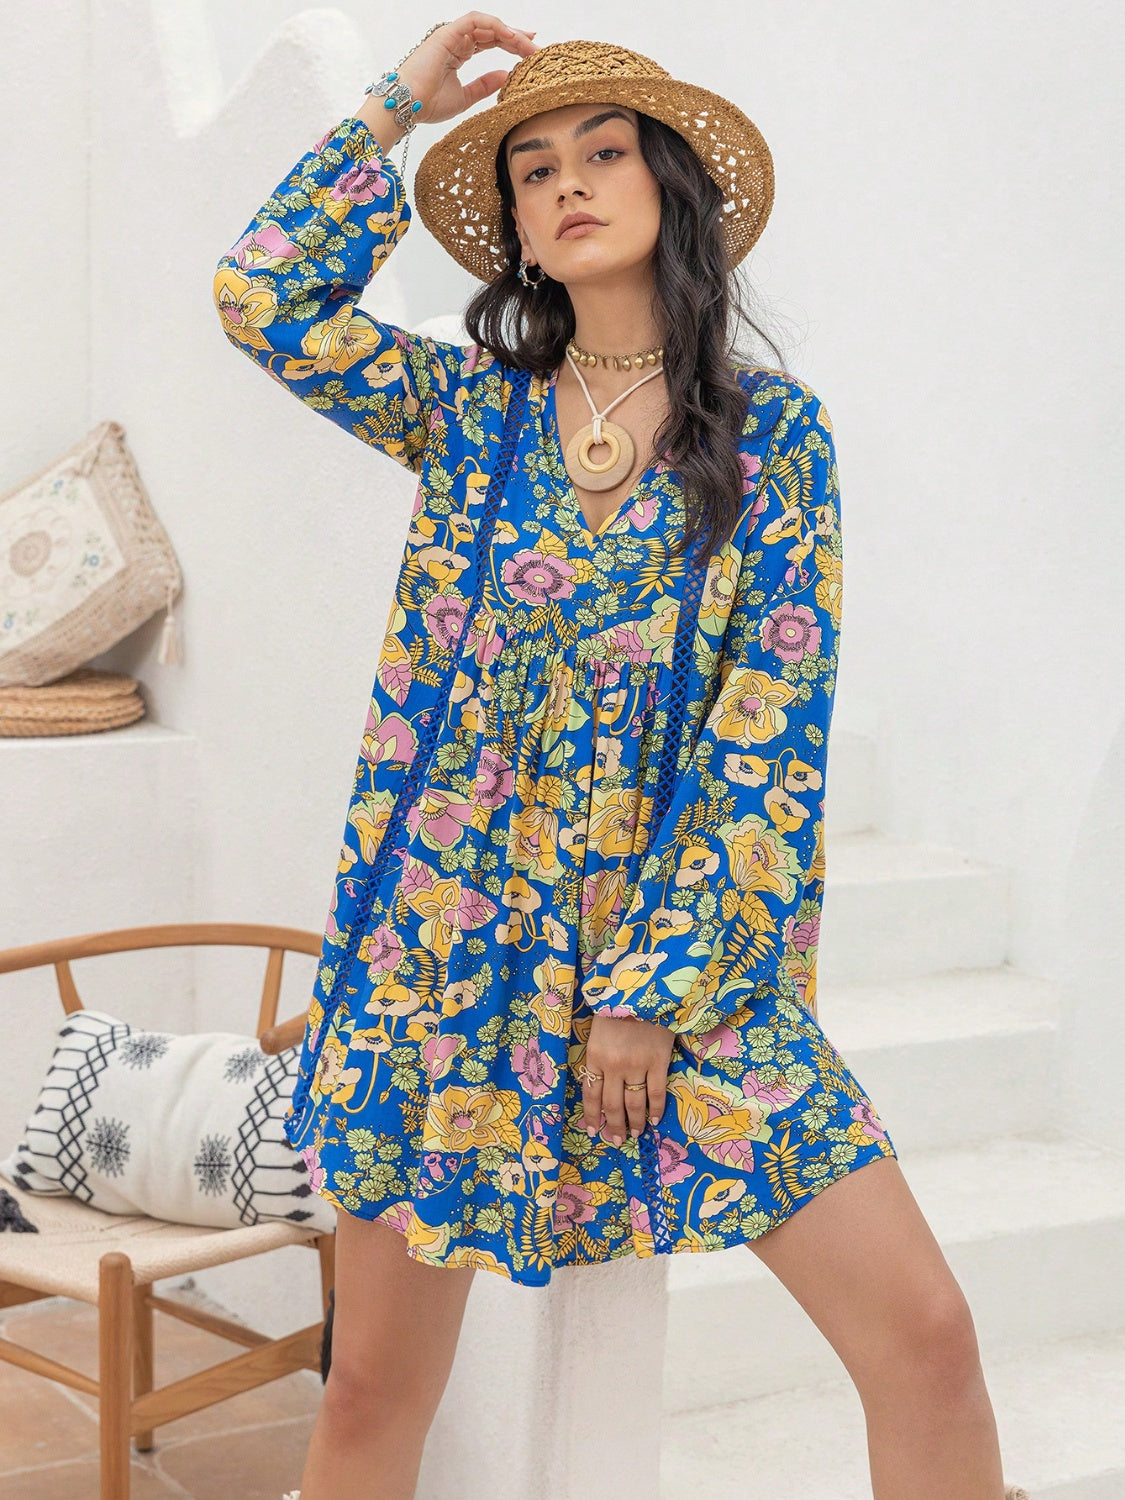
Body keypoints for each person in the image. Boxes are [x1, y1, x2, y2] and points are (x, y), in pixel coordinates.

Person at [213, 16, 1030, 1500]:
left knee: (924, 1338)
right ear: (517, 231)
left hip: (687, 974)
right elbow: (261, 296)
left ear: (671, 186)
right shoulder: (470, 414)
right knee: (370, 1395)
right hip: (446, 955)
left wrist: (649, 990)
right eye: (532, 170)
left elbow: (766, 729)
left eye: (603, 153)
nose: (568, 184)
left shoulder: (770, 439)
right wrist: (401, 101)